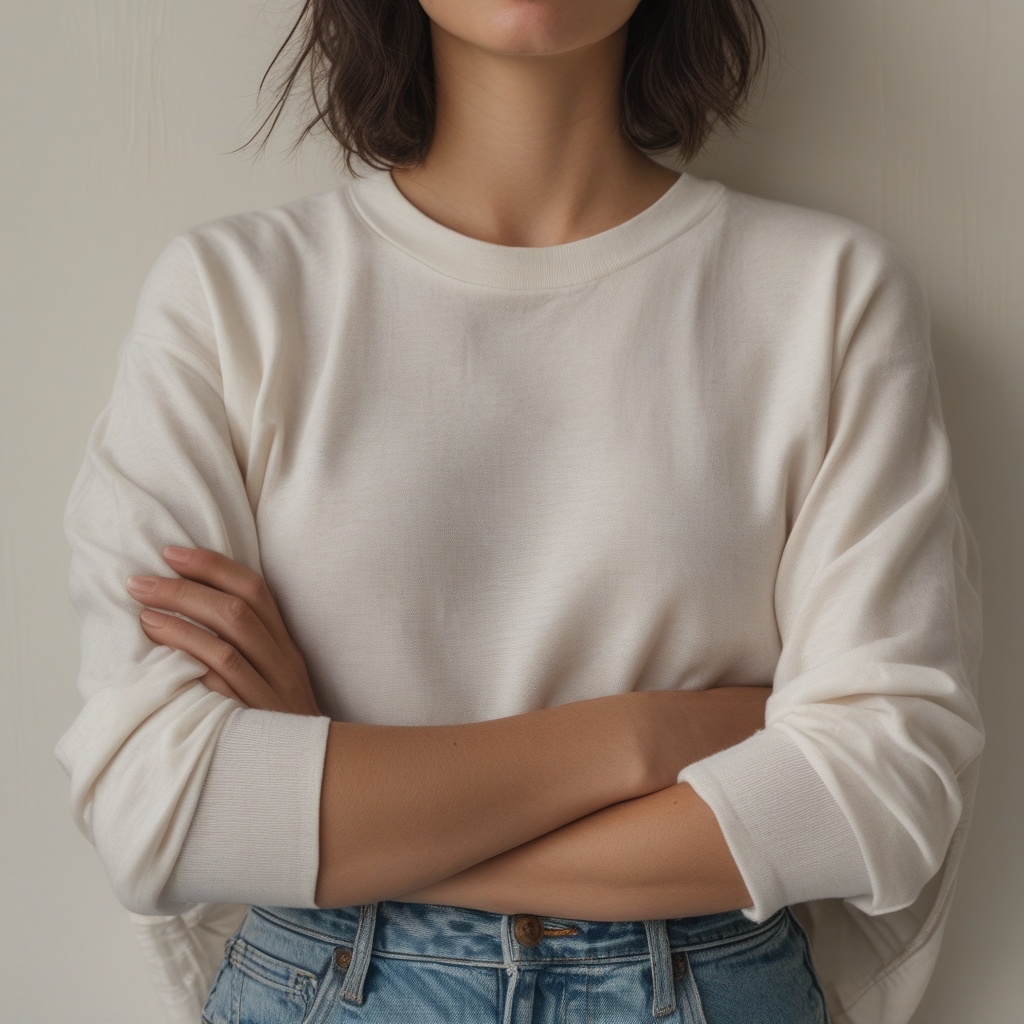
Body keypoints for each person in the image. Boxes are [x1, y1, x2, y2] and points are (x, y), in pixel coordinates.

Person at [56, 2, 984, 1022]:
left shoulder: (828, 295)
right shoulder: (231, 295)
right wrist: (642, 738)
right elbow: (162, 806)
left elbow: (877, 794)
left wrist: (347, 809)